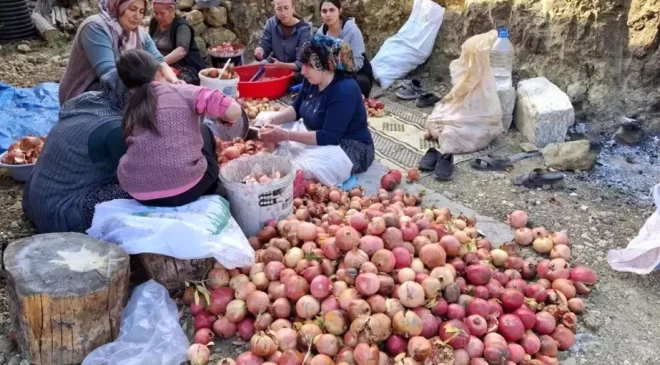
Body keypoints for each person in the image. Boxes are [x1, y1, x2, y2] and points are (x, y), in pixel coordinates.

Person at [115, 49, 242, 207]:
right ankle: (213, 189)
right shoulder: (183, 91)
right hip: (186, 189)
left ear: (129, 87)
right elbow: (234, 110)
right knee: (204, 131)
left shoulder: (131, 108)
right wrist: (224, 117)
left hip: (139, 193)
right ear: (161, 72)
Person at [23, 71, 132, 233]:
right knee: (141, 191)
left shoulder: (89, 101)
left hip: (35, 203)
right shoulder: (114, 127)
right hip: (59, 216)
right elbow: (137, 175)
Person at [259, 35, 374, 175]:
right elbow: (296, 108)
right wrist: (274, 119)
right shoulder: (312, 79)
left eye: (309, 66)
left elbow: (328, 137)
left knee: (301, 169)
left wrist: (286, 135)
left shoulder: (344, 90)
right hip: (315, 132)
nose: (303, 71)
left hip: (347, 147)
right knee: (263, 118)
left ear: (327, 66)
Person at [58, 0, 180, 105]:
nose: (137, 16)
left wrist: (175, 83)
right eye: (132, 9)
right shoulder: (95, 28)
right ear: (119, 6)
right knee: (148, 101)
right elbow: (109, 75)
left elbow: (159, 62)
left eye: (141, 12)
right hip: (84, 91)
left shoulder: (139, 34)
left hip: (120, 85)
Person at [316, 0, 373, 98]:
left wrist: (337, 71)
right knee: (307, 77)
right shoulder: (320, 34)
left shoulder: (353, 31)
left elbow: (358, 63)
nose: (328, 14)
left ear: (340, 10)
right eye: (324, 11)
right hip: (332, 72)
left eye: (332, 10)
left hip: (356, 73)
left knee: (356, 84)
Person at [254, 0, 312, 84]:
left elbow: (301, 63)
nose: (283, 13)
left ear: (293, 8)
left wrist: (281, 65)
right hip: (275, 66)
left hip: (295, 71)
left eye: (286, 8)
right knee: (257, 67)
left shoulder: (303, 30)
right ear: (275, 9)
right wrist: (260, 51)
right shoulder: (271, 23)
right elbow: (264, 46)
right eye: (279, 9)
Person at [149, 0, 205, 85]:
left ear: (172, 10)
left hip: (185, 68)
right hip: (163, 66)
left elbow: (181, 51)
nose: (158, 17)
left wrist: (159, 63)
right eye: (156, 13)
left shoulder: (182, 26)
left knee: (171, 85)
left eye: (162, 13)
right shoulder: (154, 23)